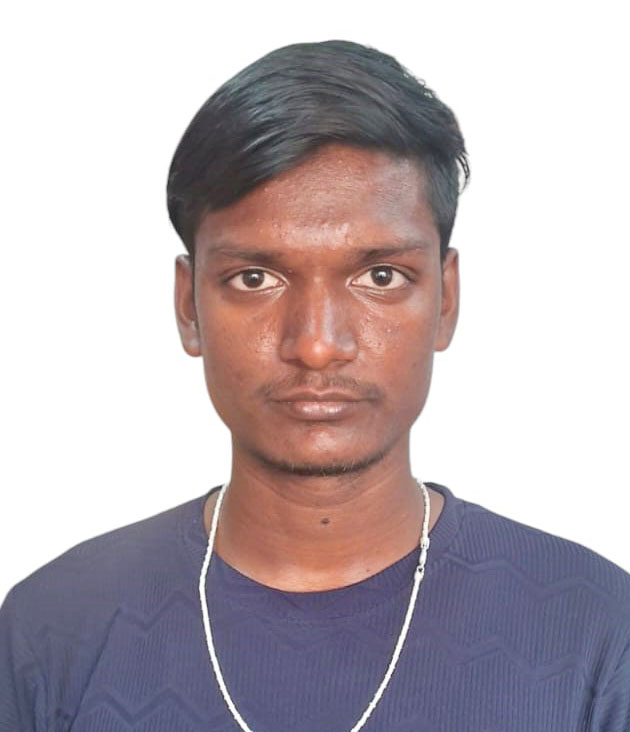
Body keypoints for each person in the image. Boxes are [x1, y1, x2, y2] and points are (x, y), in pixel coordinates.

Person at [1, 39, 628, 732]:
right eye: (255, 278)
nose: (318, 344)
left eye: (381, 277)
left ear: (446, 300)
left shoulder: (595, 634)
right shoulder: (52, 631)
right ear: (189, 307)